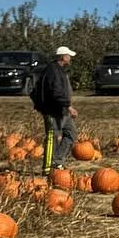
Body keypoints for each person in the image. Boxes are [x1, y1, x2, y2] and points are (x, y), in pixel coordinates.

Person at [33, 45, 78, 173]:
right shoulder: (52, 71)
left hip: (62, 110)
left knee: (71, 134)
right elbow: (56, 93)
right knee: (52, 137)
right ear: (63, 57)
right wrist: (69, 107)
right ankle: (47, 168)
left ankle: (57, 161)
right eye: (69, 56)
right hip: (53, 110)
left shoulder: (60, 70)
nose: (70, 58)